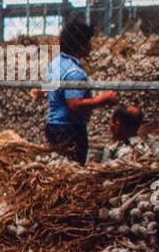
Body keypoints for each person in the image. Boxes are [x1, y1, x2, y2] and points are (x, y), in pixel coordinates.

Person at [44, 20, 116, 164]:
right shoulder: (74, 72)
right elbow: (75, 105)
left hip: (53, 125)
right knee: (73, 167)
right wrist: (104, 99)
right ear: (81, 44)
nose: (90, 47)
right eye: (88, 42)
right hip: (70, 129)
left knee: (59, 166)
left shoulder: (56, 63)